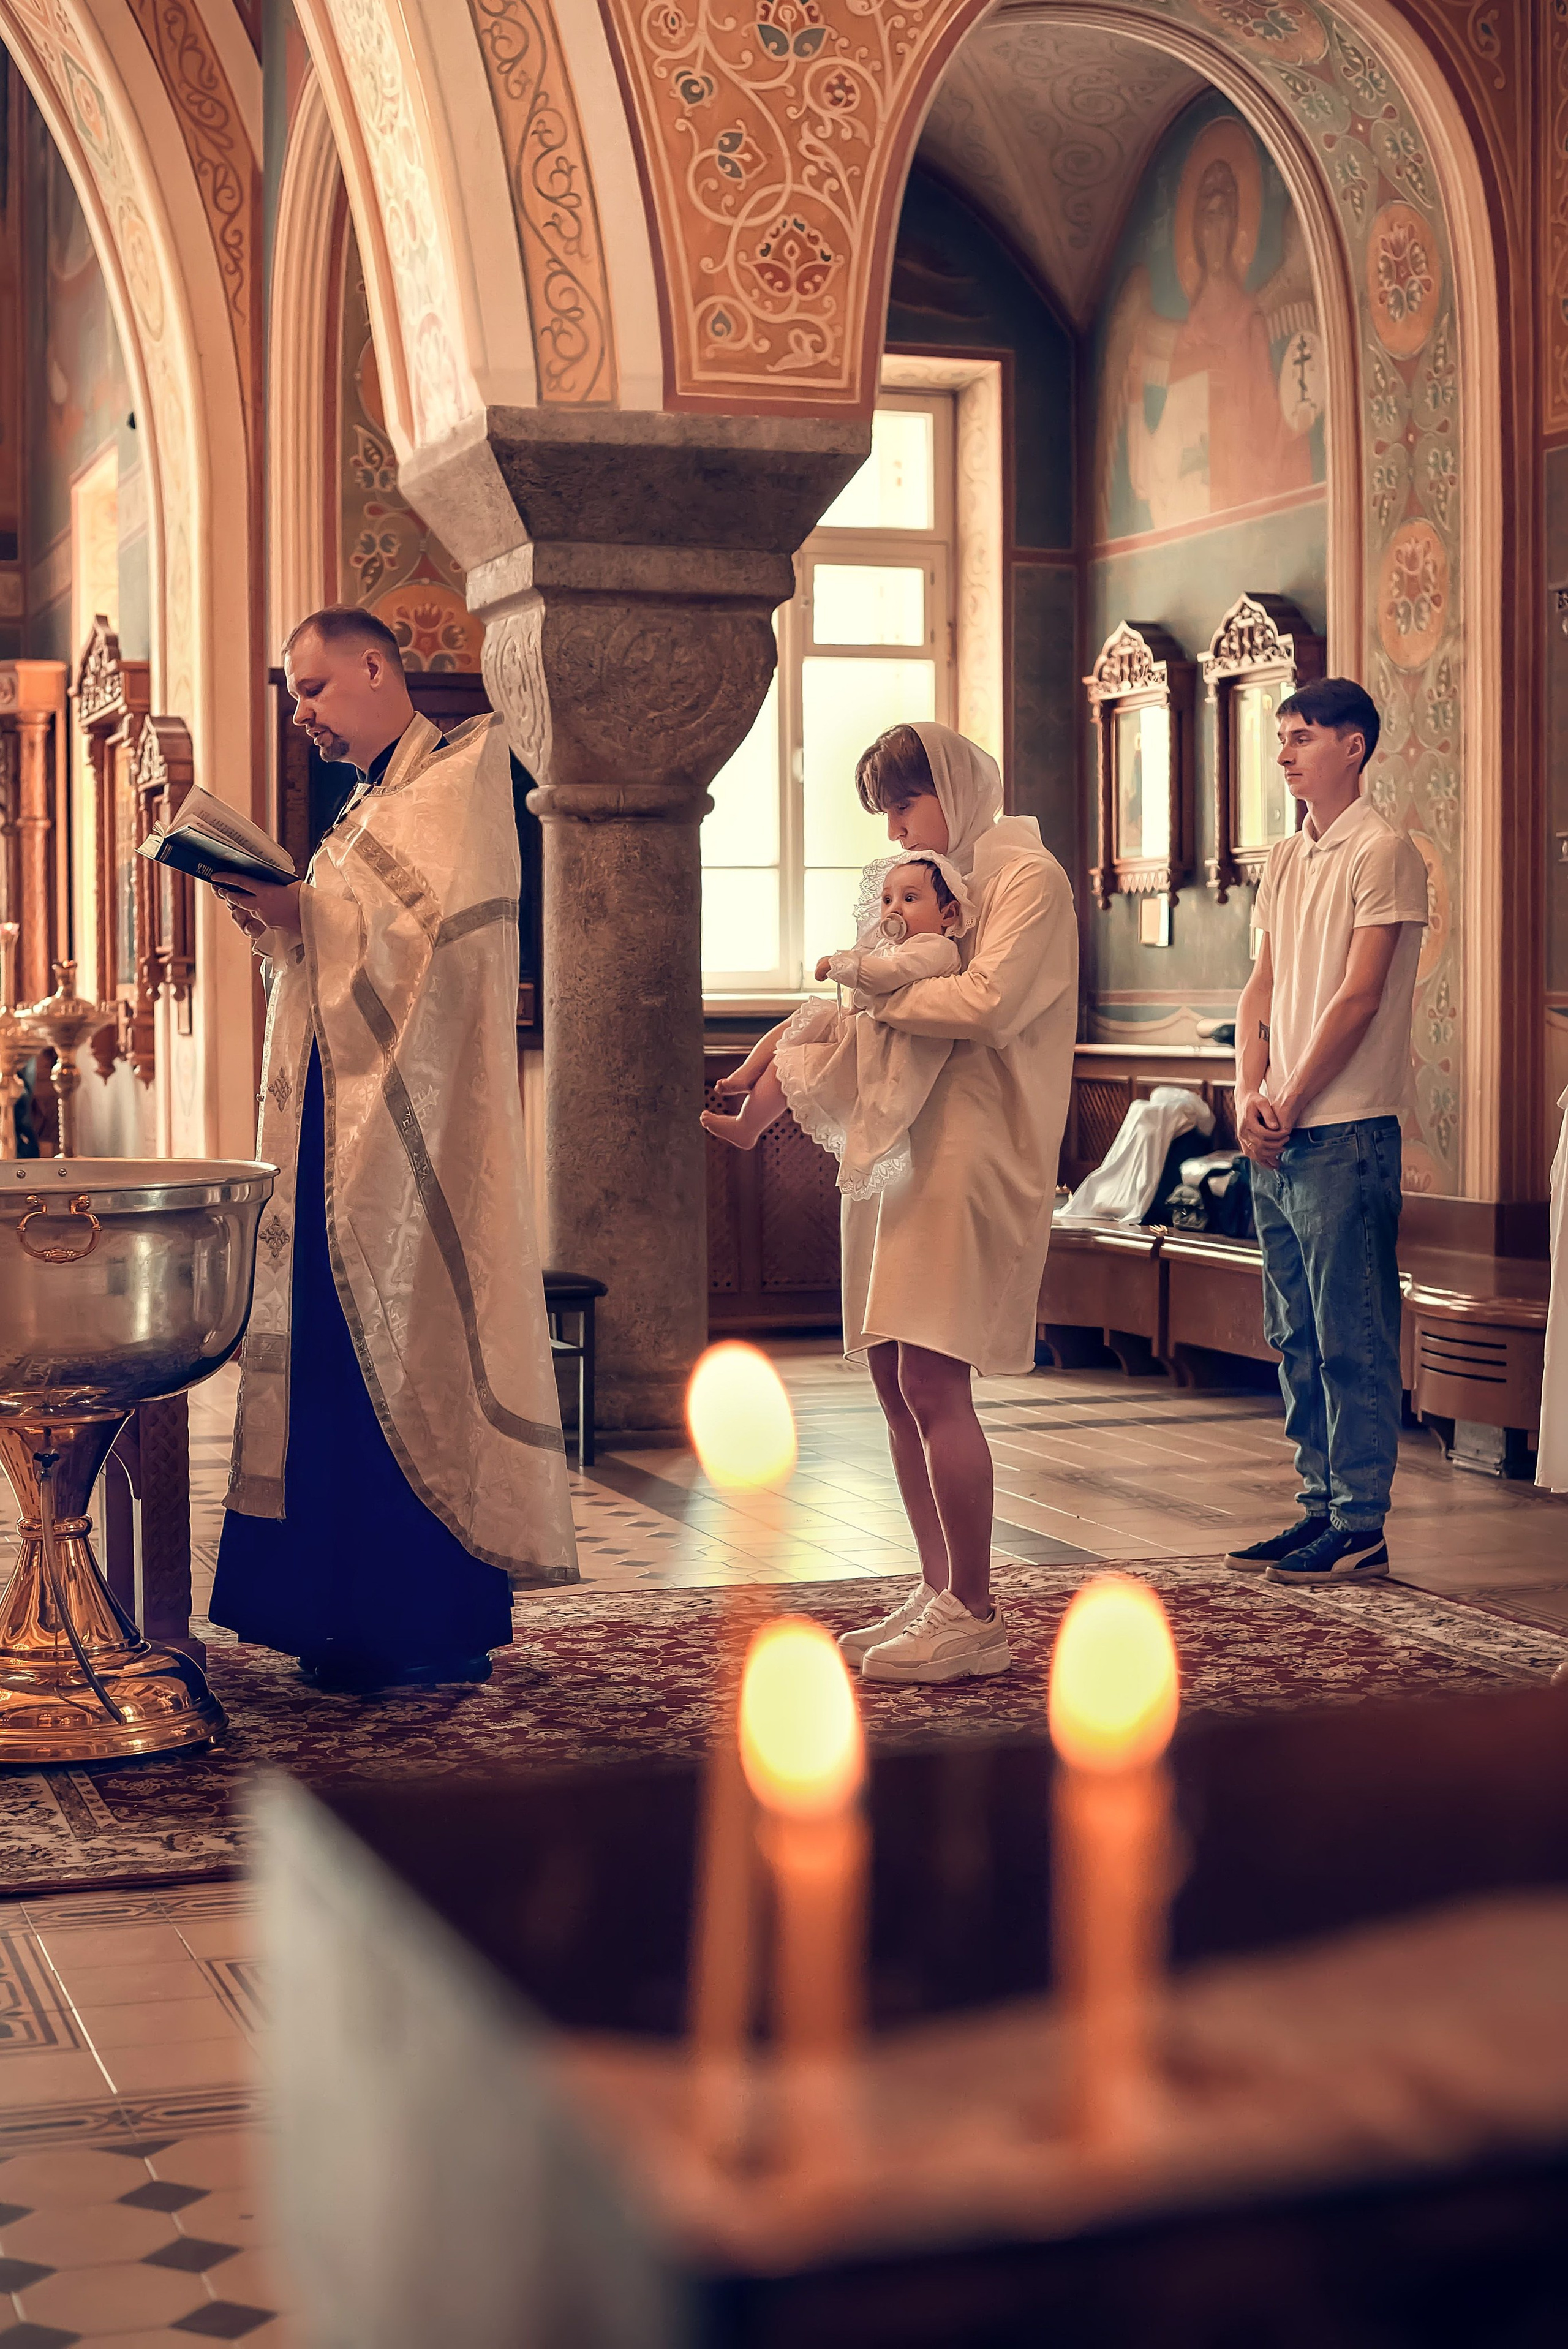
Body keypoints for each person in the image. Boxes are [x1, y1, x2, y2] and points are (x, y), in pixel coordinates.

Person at [208, 606, 576, 1692]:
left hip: (408, 1149)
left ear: (377, 666)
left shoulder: (461, 782)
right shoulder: (368, 803)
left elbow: (429, 959)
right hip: (336, 1131)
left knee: (400, 1356)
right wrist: (283, 923)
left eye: (315, 690)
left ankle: (418, 1622)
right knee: (329, 1362)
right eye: (294, 697)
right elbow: (344, 945)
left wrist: (307, 916)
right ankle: (334, 1617)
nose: (304, 716)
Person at [829, 722, 1077, 1684]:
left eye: (903, 805)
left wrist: (871, 994)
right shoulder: (929, 880)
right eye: (886, 814)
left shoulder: (1028, 877)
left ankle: (974, 1609)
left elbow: (986, 1004)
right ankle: (937, 1588)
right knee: (892, 1374)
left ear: (953, 787)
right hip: (905, 1137)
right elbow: (873, 986)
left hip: (978, 1138)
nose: (895, 833)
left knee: (935, 1377)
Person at [1227, 676, 1428, 1585]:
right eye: (1281, 738)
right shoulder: (1285, 854)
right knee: (1295, 1333)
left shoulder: (1383, 850)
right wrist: (1247, 1094)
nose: (1283, 753)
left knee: (1351, 1334)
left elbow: (1359, 997)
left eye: (1300, 736)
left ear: (1353, 745)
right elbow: (1261, 987)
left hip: (1343, 1130)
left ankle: (1361, 1522)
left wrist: (1292, 1098)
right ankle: (1316, 1507)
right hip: (1278, 1126)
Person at [699, 852, 971, 1198]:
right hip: (862, 1029)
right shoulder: (895, 947)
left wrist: (841, 964)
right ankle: (746, 1075)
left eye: (910, 898)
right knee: (802, 1022)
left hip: (884, 1048)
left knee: (793, 1064)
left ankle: (748, 1124)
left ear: (947, 914)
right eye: (887, 900)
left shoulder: (935, 948)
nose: (894, 909)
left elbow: (890, 974)